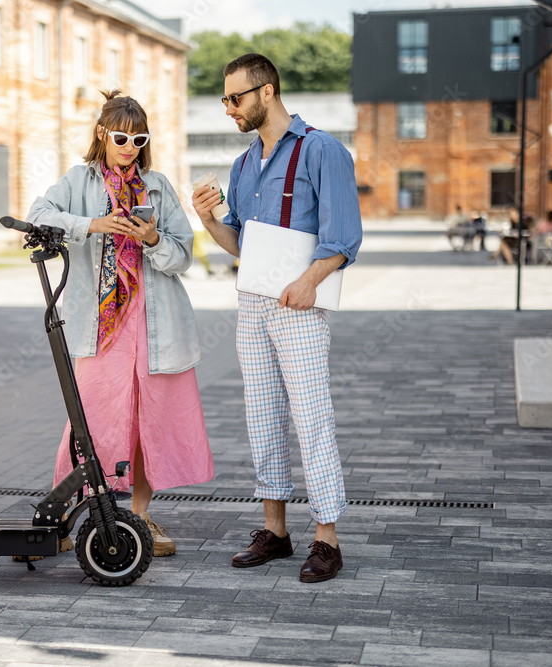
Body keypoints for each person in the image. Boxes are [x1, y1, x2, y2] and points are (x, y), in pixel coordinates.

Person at [191, 54, 362, 583]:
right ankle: (277, 533)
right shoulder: (244, 166)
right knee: (262, 418)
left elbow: (344, 238)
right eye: (224, 99)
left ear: (266, 93)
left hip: (301, 307)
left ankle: (327, 540)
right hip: (253, 306)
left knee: (312, 419)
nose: (228, 109)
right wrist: (207, 218)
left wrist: (309, 282)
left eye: (235, 98)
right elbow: (239, 243)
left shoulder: (322, 150)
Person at [27, 90, 214, 558]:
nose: (130, 146)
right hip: (101, 326)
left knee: (149, 421)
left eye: (139, 138)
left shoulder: (158, 186)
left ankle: (140, 516)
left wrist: (152, 238)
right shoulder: (78, 180)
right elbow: (38, 216)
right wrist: (93, 225)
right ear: (102, 134)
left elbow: (183, 255)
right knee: (87, 422)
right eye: (121, 137)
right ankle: (61, 516)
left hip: (157, 324)